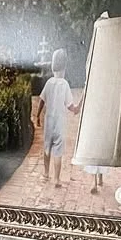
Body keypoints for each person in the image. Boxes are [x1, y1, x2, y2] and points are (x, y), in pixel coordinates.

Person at [35, 48, 82, 188]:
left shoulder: (49, 82)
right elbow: (70, 106)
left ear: (52, 65)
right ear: (65, 67)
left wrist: (37, 116)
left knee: (47, 148)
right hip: (60, 123)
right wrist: (78, 106)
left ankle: (45, 174)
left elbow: (41, 100)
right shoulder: (65, 84)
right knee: (58, 152)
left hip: (49, 121)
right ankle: (56, 179)